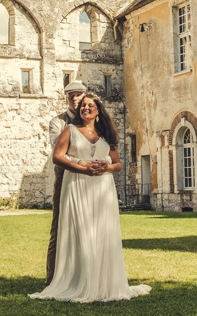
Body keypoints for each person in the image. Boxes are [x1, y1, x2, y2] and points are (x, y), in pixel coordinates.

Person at [30, 92, 151, 303]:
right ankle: (79, 280)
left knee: (103, 231)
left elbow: (118, 164)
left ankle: (103, 282)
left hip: (103, 188)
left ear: (98, 110)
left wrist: (107, 166)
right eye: (83, 106)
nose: (85, 108)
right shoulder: (70, 130)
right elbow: (57, 157)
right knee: (80, 231)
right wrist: (81, 167)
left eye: (90, 106)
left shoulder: (106, 134)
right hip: (77, 184)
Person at [45, 80, 86, 286]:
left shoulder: (91, 121)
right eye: (71, 95)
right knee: (59, 229)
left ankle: (82, 277)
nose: (75, 98)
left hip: (88, 182)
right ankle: (52, 278)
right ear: (66, 98)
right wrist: (82, 162)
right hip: (65, 180)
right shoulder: (58, 123)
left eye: (79, 94)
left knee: (86, 229)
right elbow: (58, 152)